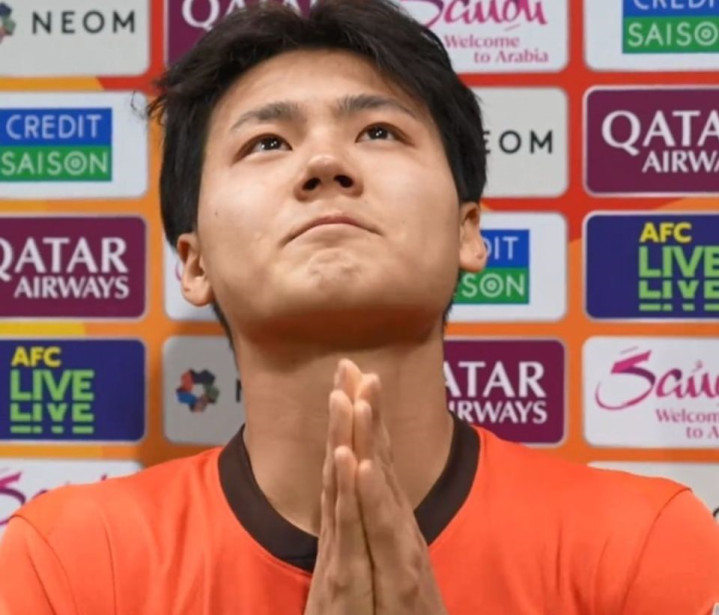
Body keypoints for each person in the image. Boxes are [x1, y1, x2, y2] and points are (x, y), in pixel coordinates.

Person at [1, 1, 718, 613]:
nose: (325, 165)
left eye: (378, 132)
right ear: (194, 263)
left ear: (468, 231)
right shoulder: (69, 564)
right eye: (267, 142)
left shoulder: (641, 544)